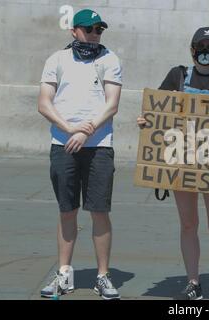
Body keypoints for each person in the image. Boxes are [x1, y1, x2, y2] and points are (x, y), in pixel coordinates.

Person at [137, 27, 209, 300]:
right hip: (181, 162)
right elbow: (157, 112)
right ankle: (193, 282)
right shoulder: (177, 75)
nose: (206, 51)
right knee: (188, 224)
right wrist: (146, 121)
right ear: (192, 49)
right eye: (201, 45)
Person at [38, 9, 122, 300]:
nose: (94, 34)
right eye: (88, 29)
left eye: (99, 29)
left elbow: (112, 104)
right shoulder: (56, 60)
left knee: (99, 211)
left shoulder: (109, 59)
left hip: (99, 147)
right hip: (63, 146)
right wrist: (69, 128)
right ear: (74, 31)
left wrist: (87, 131)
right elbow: (44, 103)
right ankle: (64, 274)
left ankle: (103, 276)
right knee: (67, 211)